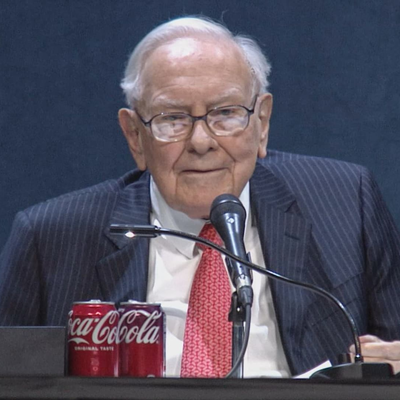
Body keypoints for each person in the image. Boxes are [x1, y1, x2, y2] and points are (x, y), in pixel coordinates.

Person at [0, 16, 400, 378]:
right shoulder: (51, 239)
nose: (201, 141)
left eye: (225, 113)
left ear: (262, 123)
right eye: (172, 119)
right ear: (135, 136)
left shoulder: (346, 203)